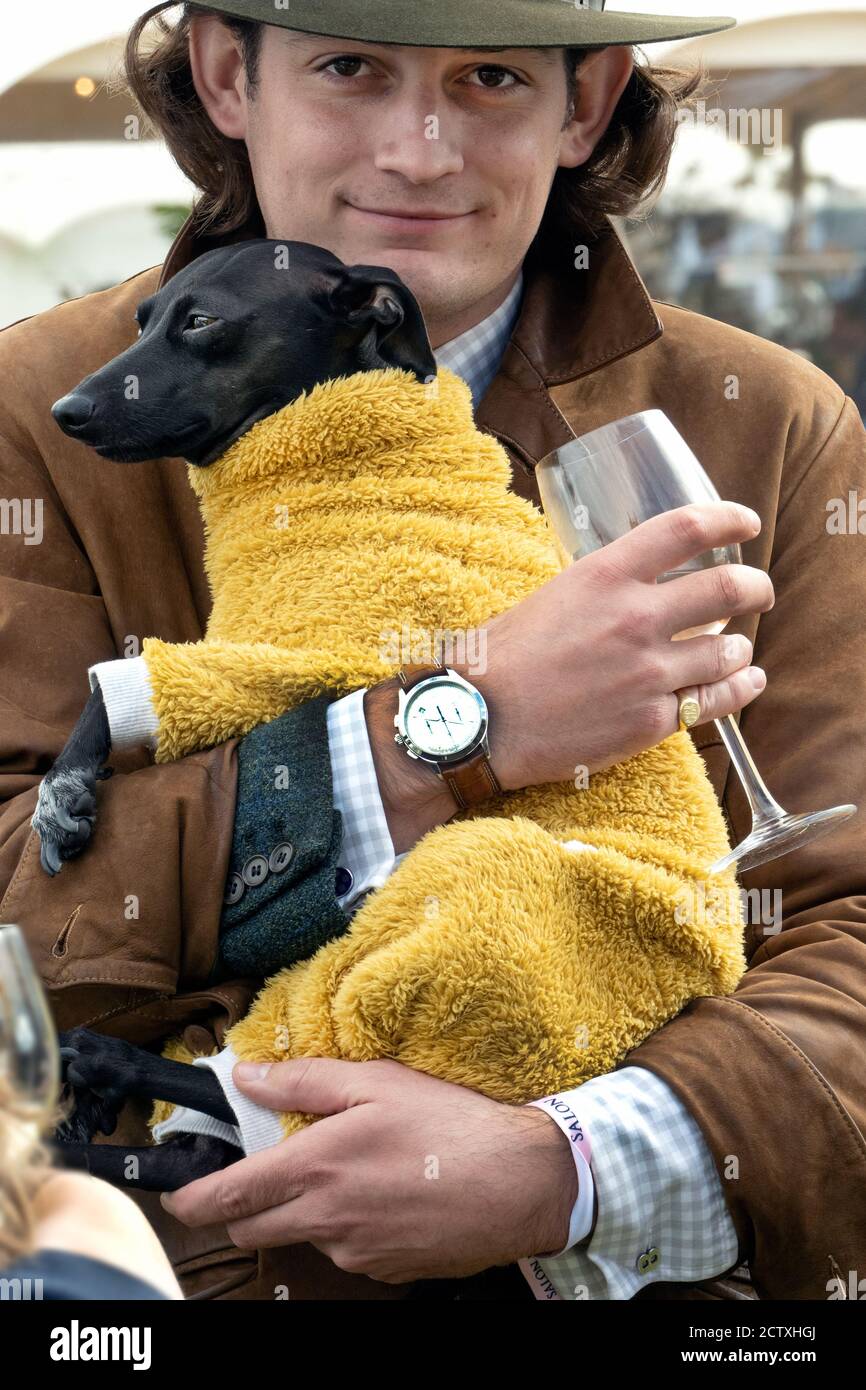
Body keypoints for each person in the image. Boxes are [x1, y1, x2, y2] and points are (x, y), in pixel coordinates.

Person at [1, 0, 863, 1301]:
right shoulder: (35, 417)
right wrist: (450, 727)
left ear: (586, 104)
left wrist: (574, 1163)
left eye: (492, 77)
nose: (419, 149)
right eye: (351, 66)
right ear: (229, 75)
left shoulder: (777, 421)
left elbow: (844, 909)